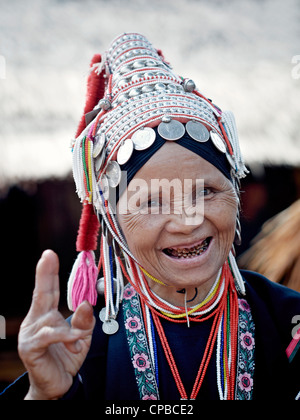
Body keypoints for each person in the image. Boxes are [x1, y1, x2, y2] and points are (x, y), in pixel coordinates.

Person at [1, 33, 300, 401]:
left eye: (206, 192)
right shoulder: (78, 351)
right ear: (112, 220)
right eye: (152, 202)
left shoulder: (288, 325)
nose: (188, 221)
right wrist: (43, 395)